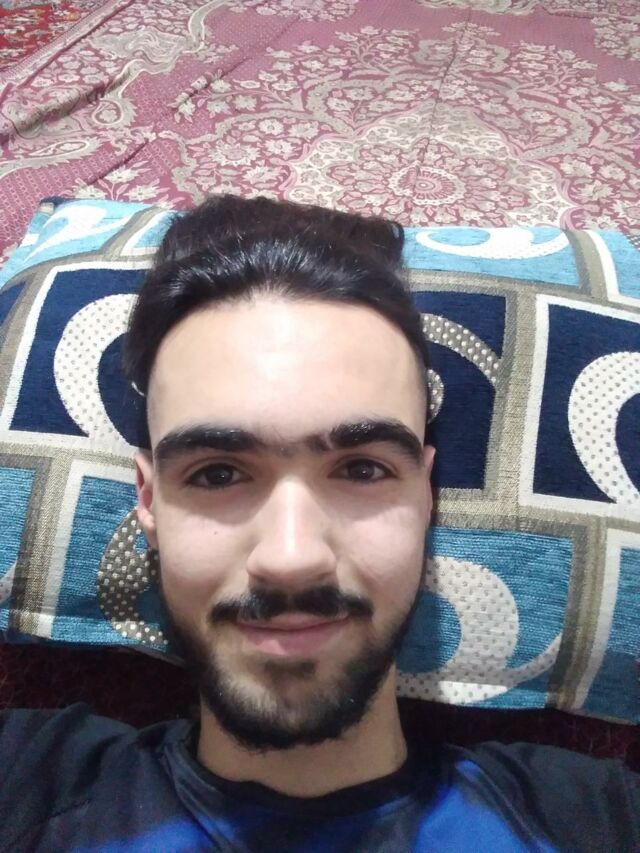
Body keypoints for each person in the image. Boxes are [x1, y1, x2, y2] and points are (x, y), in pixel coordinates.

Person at [0, 195, 637, 852]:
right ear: (150, 500)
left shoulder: (595, 818)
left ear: (426, 495)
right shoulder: (27, 783)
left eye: (361, 468)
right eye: (217, 473)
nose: (291, 557)